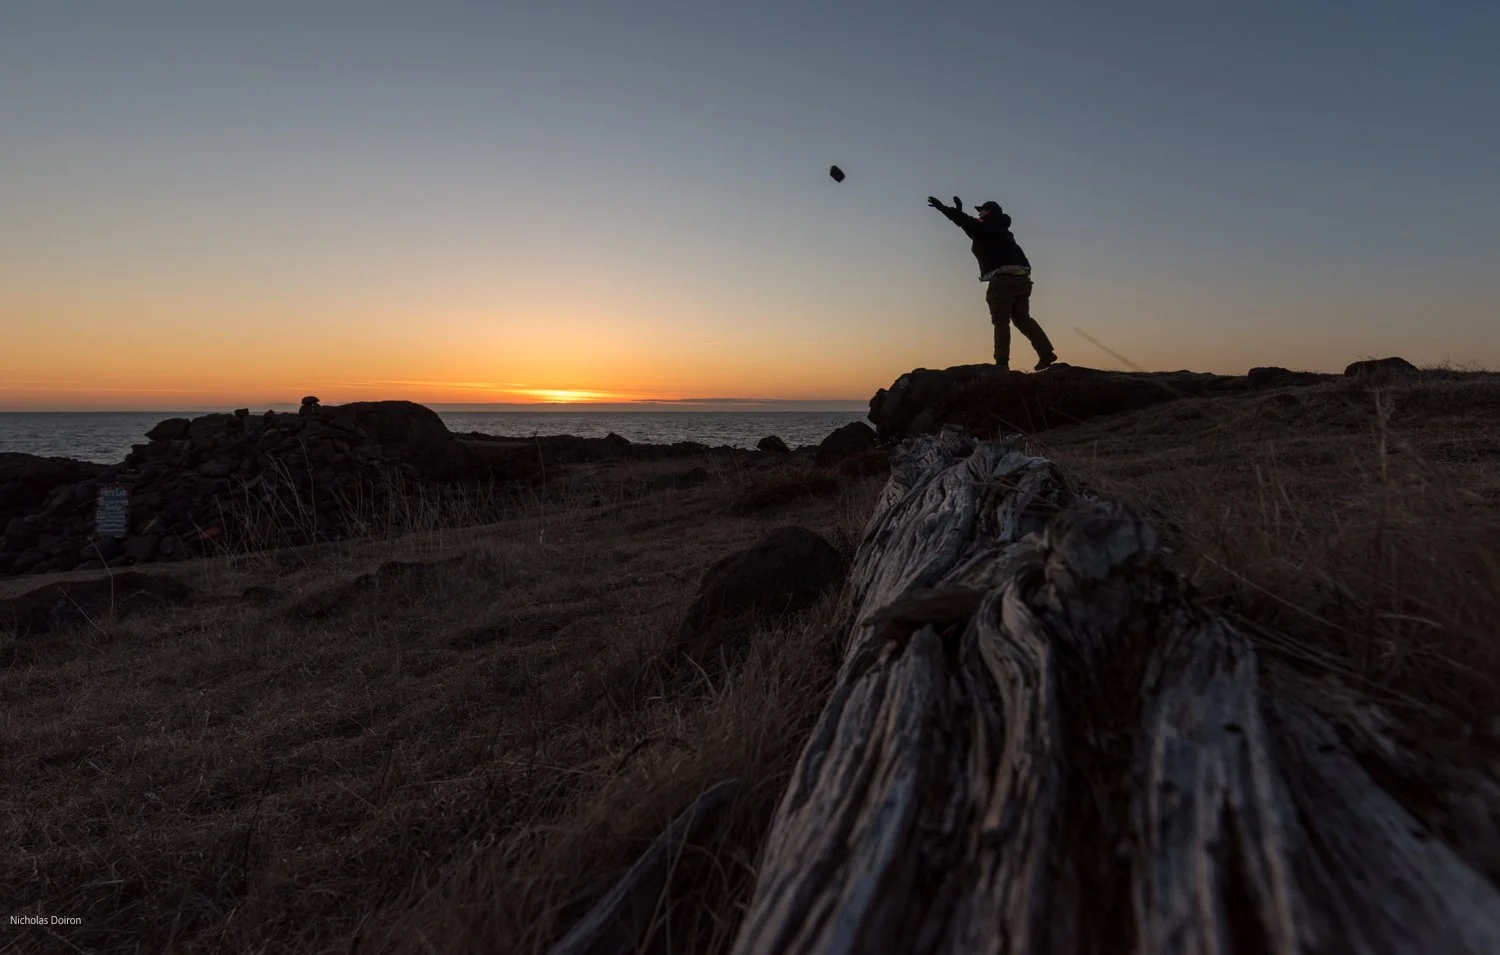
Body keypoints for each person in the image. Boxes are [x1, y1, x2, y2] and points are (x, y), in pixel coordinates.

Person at [927, 196, 1058, 371]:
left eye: (981, 210)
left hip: (1003, 280)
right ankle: (1046, 353)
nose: (979, 212)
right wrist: (958, 213)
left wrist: (945, 209)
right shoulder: (1000, 229)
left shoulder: (986, 226)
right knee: (1023, 319)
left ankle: (1001, 363)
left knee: (1000, 321)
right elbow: (970, 227)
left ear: (988, 212)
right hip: (1022, 278)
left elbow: (967, 223)